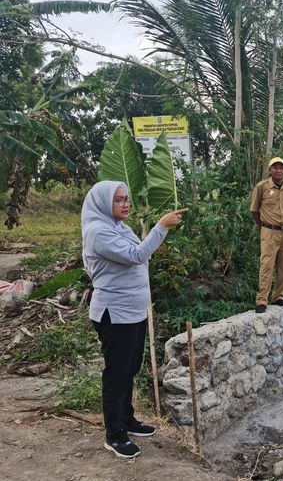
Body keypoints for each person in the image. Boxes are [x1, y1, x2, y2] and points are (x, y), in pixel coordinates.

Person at [81, 181, 186, 459]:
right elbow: (138, 255)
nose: (125, 203)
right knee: (117, 373)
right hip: (114, 314)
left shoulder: (119, 227)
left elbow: (139, 255)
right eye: (118, 200)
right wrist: (161, 226)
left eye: (127, 198)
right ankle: (114, 435)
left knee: (130, 369)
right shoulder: (98, 232)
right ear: (104, 203)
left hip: (132, 311)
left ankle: (127, 419)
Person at [250, 156, 283, 313]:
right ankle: (262, 299)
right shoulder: (261, 187)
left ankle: (278, 296)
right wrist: (263, 226)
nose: (278, 170)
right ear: (270, 170)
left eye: (281, 167)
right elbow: (254, 210)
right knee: (267, 265)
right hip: (269, 232)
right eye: (275, 167)